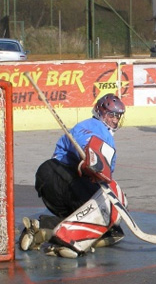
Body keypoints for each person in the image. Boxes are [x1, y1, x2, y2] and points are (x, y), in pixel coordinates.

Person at [20, 94, 127, 258]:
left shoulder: (92, 129)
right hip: (64, 179)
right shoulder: (93, 127)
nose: (114, 120)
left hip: (48, 179)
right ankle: (74, 241)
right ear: (100, 112)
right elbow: (87, 144)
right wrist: (91, 159)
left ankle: (42, 227)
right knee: (113, 226)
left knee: (75, 216)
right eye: (111, 115)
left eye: (117, 116)